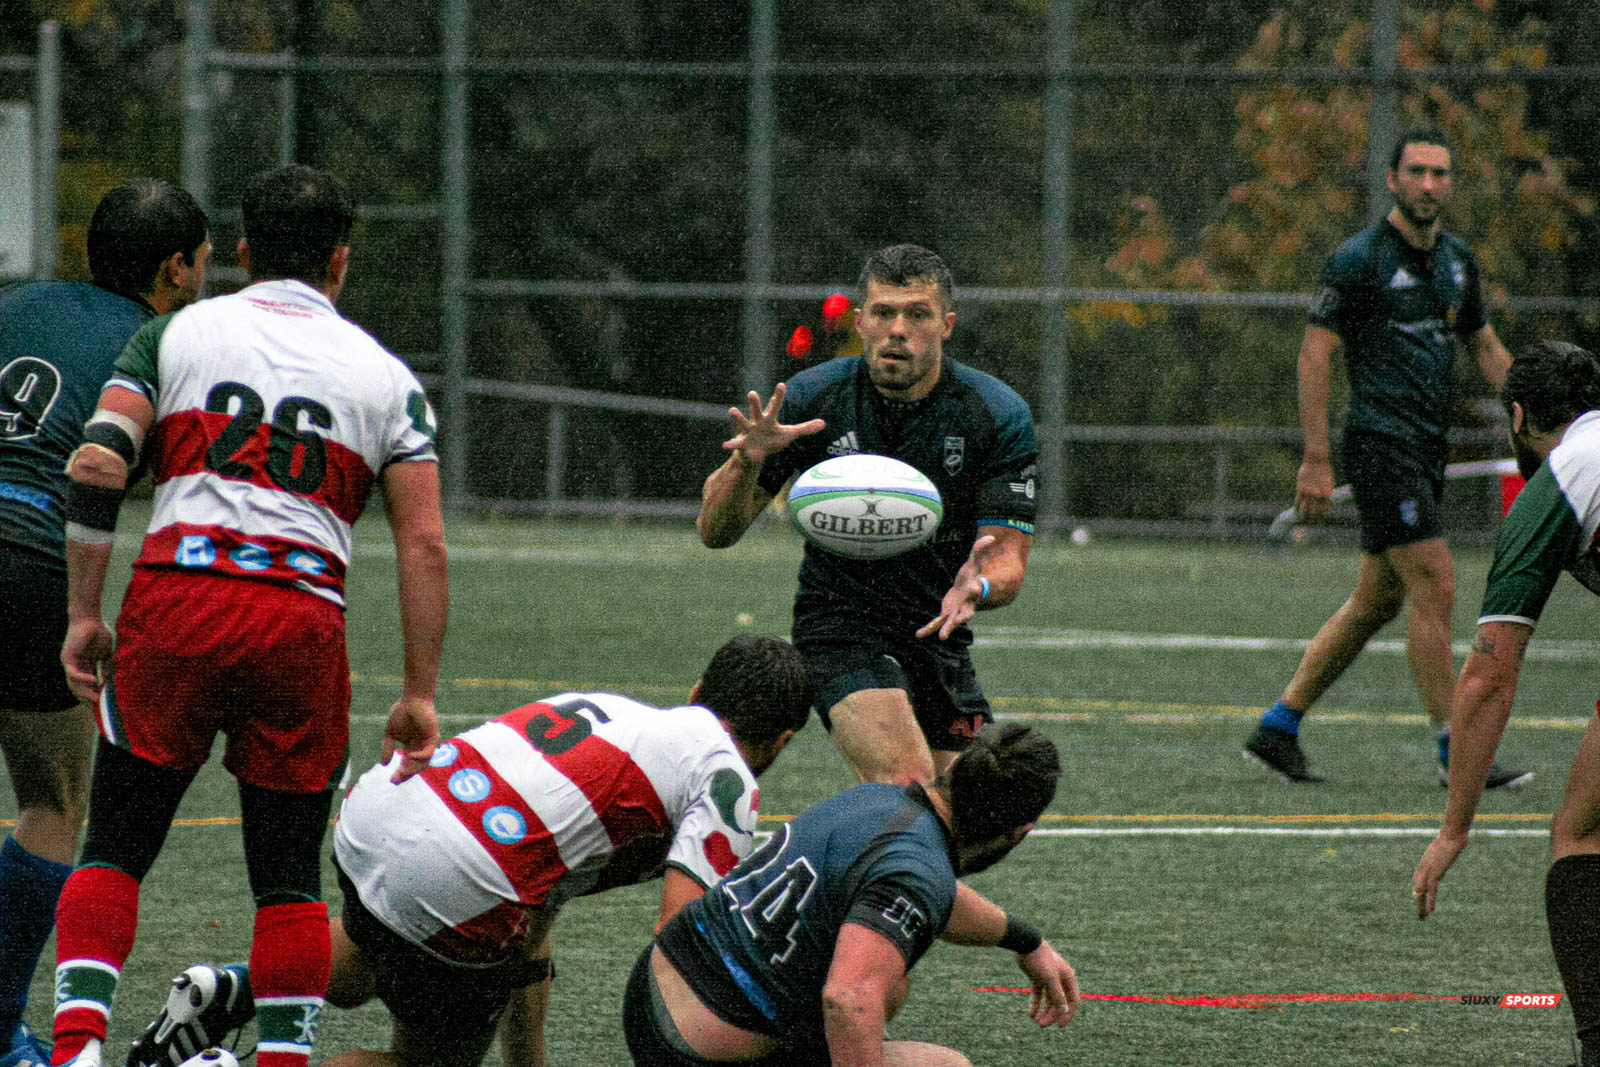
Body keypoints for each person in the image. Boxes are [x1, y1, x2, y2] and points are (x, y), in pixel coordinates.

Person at [47, 164, 447, 1067]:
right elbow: (423, 544)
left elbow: (100, 463)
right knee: (286, 881)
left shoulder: (179, 332)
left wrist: (84, 612)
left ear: (240, 251)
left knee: (114, 847)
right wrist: (419, 689)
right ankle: (280, 1061)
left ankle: (77, 1047)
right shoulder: (387, 377)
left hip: (175, 602)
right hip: (299, 620)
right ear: (340, 262)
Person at [128, 634, 813, 1067]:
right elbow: (679, 931)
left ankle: (232, 989)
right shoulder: (726, 778)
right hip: (462, 873)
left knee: (374, 954)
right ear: (780, 742)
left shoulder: (621, 710)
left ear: (697, 692)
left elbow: (537, 916)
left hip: (382, 811)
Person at [1243, 126, 1527, 788]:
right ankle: (1456, 749)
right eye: (1417, 171)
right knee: (1436, 580)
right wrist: (1315, 459)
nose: (1429, 184)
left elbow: (1484, 346)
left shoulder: (1457, 262)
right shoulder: (1359, 260)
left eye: (1440, 173)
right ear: (1393, 180)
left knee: (1377, 599)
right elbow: (1315, 354)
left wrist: (1537, 416)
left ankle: (1278, 726)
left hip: (1426, 445)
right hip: (1378, 441)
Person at [0, 178, 210, 1067]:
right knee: (52, 801)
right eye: (203, 262)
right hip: (30, 558)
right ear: (175, 267)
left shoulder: (20, 303)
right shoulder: (165, 342)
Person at [698, 243, 1038, 787]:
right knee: (908, 784)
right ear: (860, 322)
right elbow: (714, 532)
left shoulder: (995, 414)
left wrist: (976, 588)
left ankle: (868, 867)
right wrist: (746, 462)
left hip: (937, 630)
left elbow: (1006, 563)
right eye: (883, 313)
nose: (897, 330)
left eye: (917, 314)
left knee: (978, 809)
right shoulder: (813, 400)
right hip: (841, 624)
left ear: (946, 325)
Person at [623, 721, 1077, 1066]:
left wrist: (1025, 941)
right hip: (689, 1050)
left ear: (955, 770)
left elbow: (939, 899)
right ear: (1020, 832)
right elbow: (847, 1000)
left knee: (891, 984)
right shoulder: (917, 872)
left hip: (651, 992)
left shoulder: (880, 800)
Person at [1413, 340, 1600, 1066]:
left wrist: (1455, 826)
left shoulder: (1562, 476)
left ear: (1519, 416)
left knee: (1581, 834)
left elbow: (1490, 672)